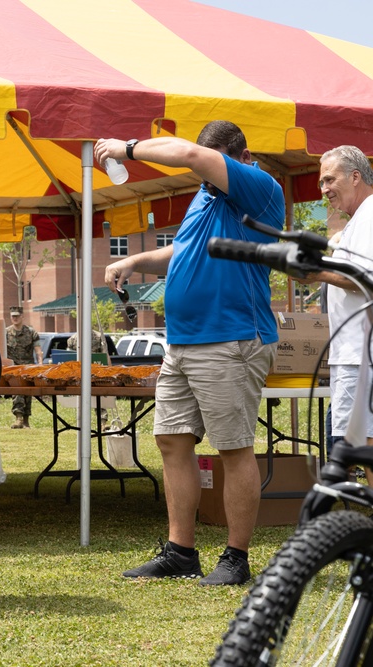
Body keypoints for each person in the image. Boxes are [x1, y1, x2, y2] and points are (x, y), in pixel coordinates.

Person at [96, 120, 283, 586]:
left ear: (238, 157)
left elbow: (193, 157)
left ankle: (236, 558)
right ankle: (181, 551)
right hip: (183, 340)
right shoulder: (207, 193)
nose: (203, 173)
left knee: (233, 448)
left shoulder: (259, 187)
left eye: (211, 163)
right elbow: (186, 249)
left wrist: (128, 147)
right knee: (173, 441)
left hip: (232, 337)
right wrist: (135, 260)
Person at [302, 146, 373, 460]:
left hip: (360, 358)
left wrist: (317, 272)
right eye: (320, 183)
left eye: (329, 179)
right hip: (354, 356)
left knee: (361, 446)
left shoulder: (370, 215)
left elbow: (366, 276)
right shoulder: (358, 222)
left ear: (355, 176)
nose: (324, 189)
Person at [5, 306, 42, 429]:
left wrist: (40, 363)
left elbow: (38, 350)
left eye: (17, 316)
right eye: (12, 316)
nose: (14, 318)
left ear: (22, 316)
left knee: (27, 393)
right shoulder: (6, 332)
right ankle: (19, 417)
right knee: (17, 391)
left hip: (28, 367)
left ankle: (26, 420)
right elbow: (1, 350)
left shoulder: (31, 332)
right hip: (13, 368)